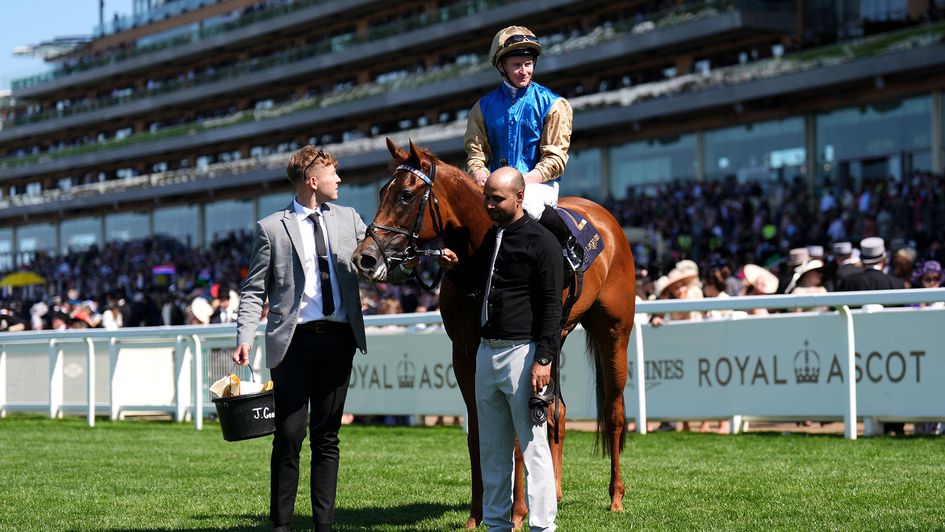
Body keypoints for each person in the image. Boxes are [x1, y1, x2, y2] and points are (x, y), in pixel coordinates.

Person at [233, 146, 408, 532]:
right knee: (289, 436)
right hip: (292, 344)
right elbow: (253, 290)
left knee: (328, 436)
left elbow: (382, 264)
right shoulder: (271, 227)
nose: (340, 180)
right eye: (334, 174)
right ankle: (281, 525)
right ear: (313, 181)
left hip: (339, 340)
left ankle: (323, 526)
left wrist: (426, 260)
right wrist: (245, 334)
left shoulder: (350, 219)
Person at [439, 166, 562, 531]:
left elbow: (552, 306)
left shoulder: (542, 242)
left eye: (497, 198)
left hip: (523, 356)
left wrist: (544, 359)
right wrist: (456, 268)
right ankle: (496, 524)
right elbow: (477, 282)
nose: (488, 204)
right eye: (486, 197)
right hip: (487, 354)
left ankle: (542, 526)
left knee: (534, 448)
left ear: (519, 197)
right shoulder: (495, 235)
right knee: (492, 449)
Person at [463, 25, 580, 269]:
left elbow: (555, 160)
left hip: (536, 185)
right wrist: (478, 172)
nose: (524, 71)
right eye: (517, 65)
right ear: (501, 66)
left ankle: (570, 247)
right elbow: (476, 153)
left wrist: (519, 182)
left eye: (528, 64)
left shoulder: (554, 104)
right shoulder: (482, 108)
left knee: (527, 205)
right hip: (493, 187)